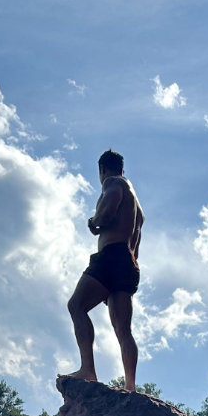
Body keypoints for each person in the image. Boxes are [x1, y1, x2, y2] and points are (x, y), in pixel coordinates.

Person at [66, 149, 144, 391]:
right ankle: (130, 385)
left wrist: (95, 221)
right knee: (123, 329)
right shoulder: (136, 203)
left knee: (76, 306)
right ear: (122, 167)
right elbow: (137, 233)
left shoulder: (113, 183)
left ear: (102, 169)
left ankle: (87, 369)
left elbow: (108, 208)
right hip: (128, 263)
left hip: (111, 256)